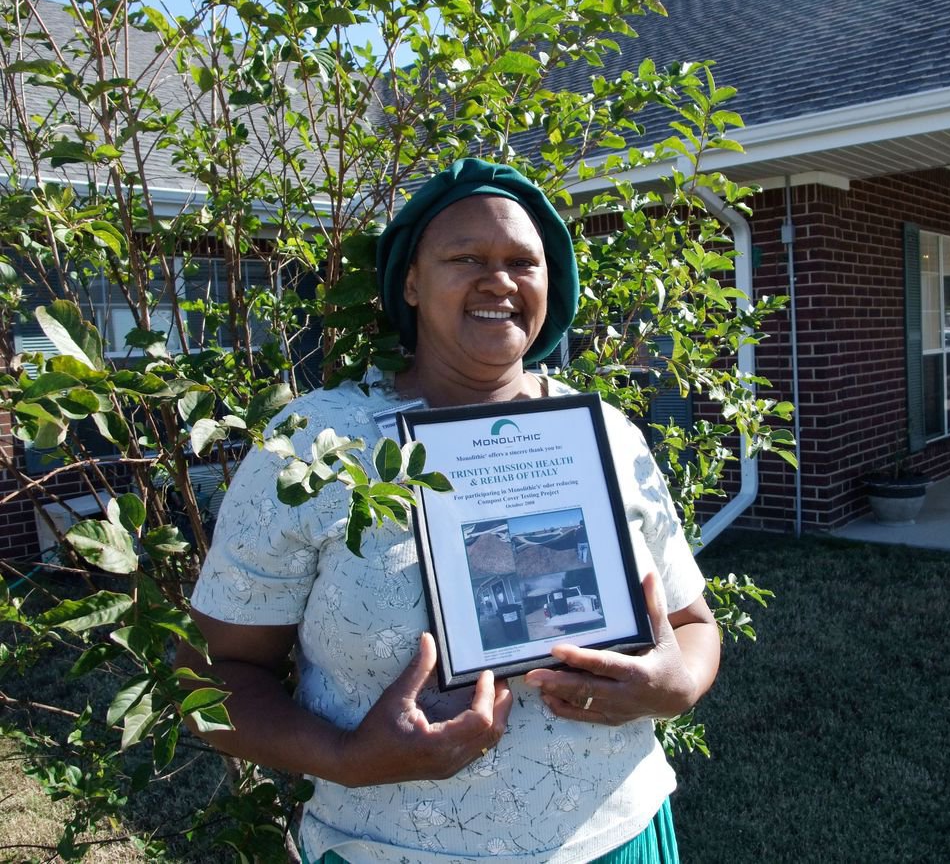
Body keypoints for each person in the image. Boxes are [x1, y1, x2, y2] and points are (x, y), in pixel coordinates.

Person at [179, 159, 720, 864]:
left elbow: (691, 623)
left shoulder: (604, 434)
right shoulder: (317, 446)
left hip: (619, 834)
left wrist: (676, 686)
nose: (498, 280)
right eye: (465, 257)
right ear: (410, 281)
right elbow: (203, 678)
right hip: (392, 849)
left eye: (523, 262)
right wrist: (347, 756)